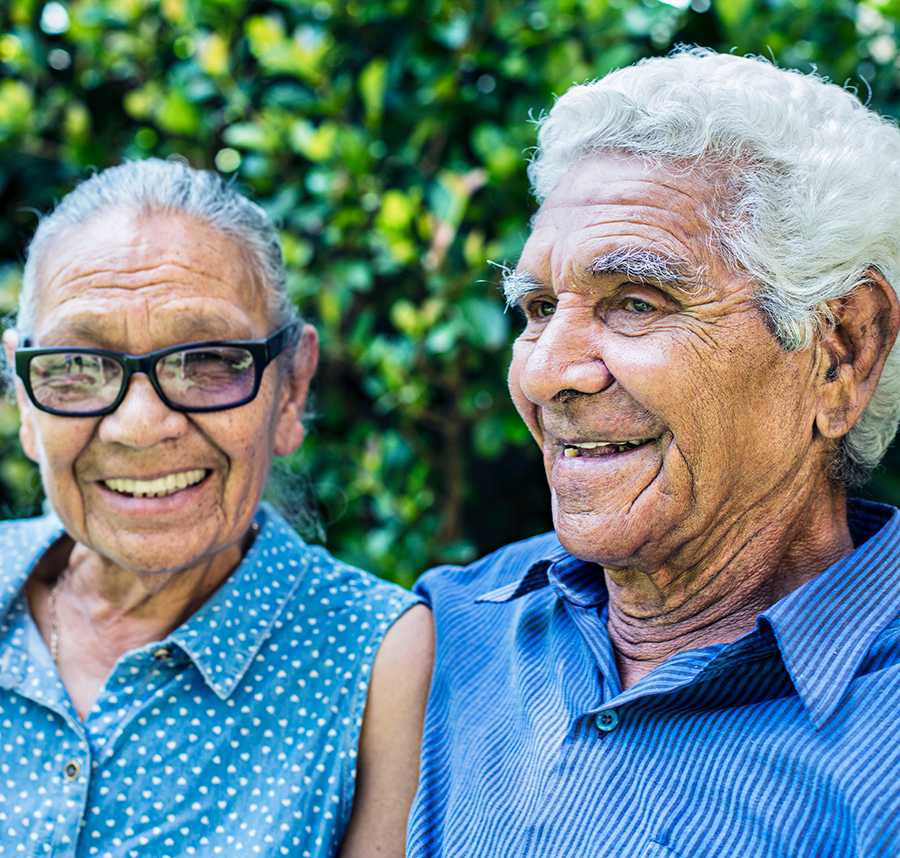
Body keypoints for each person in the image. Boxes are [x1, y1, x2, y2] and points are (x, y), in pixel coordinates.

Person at [407, 48, 900, 858]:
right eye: (535, 308)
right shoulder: (451, 634)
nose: (543, 371)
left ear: (840, 351)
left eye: (636, 302)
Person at [0, 158, 433, 857]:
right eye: (79, 366)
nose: (140, 426)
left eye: (207, 361)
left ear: (290, 390)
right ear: (26, 400)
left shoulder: (376, 658)